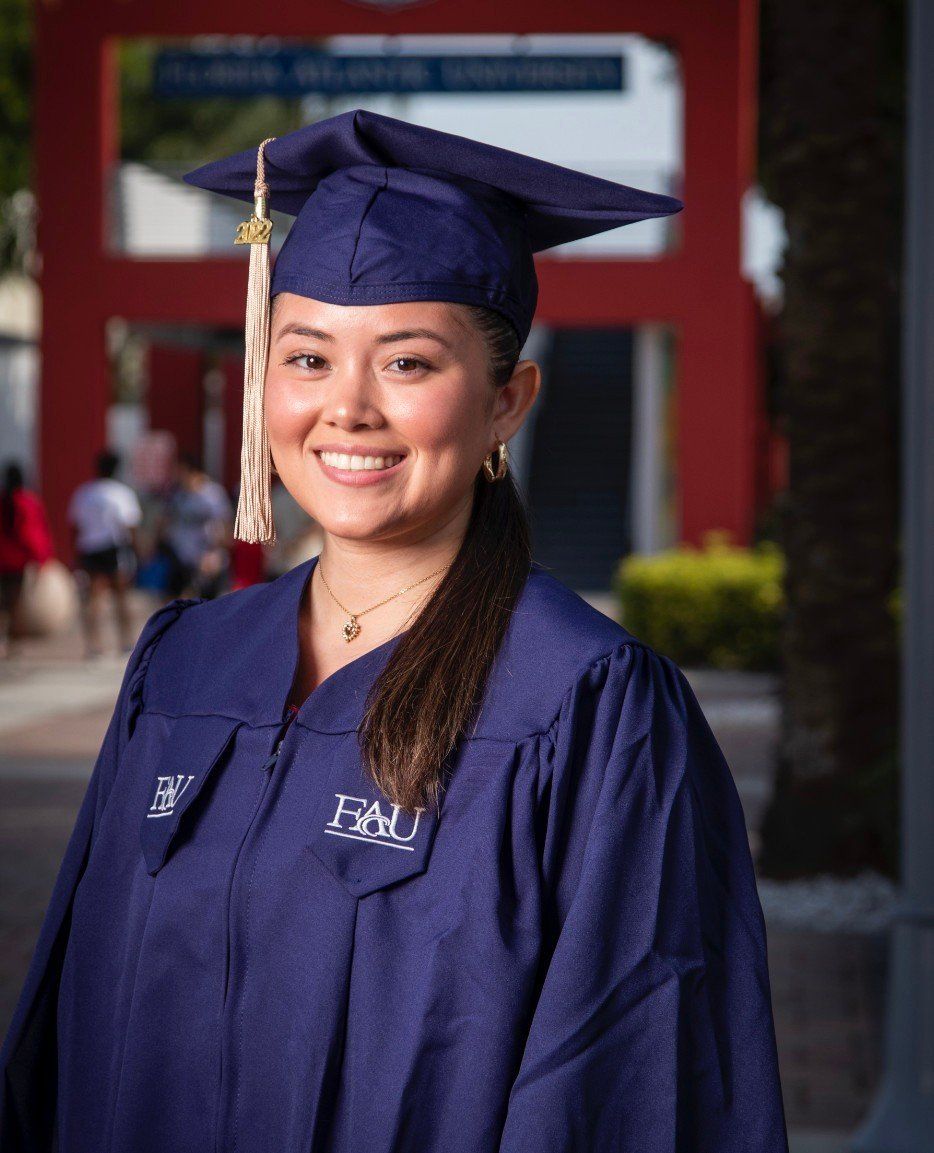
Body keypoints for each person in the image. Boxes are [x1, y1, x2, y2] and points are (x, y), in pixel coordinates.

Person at [0, 110, 789, 1152]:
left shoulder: (587, 708)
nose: (347, 409)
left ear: (507, 403)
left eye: (408, 363)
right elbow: (72, 1027)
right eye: (308, 358)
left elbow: (630, 1081)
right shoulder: (184, 665)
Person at [67, 449, 143, 657]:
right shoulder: (121, 493)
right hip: (112, 549)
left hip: (90, 549)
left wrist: (76, 554)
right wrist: (138, 552)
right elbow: (130, 525)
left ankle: (94, 646)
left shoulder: (84, 493)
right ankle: (127, 642)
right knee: (121, 597)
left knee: (93, 599)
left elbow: (75, 526)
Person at [155, 450, 233, 600]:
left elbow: (224, 525)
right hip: (180, 557)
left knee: (206, 604)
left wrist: (216, 553)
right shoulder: (176, 494)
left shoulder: (212, 494)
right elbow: (165, 521)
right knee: (173, 603)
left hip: (206, 559)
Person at [0, 461, 55, 658]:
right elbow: (31, 533)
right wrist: (41, 558)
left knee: (4, 603)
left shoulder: (4, 501)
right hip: (16, 562)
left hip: (3, 560)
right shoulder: (28, 502)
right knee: (14, 604)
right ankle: (12, 645)